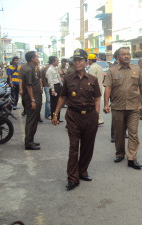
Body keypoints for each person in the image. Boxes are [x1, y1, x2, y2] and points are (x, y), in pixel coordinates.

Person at [52, 49, 101, 191]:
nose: (77, 62)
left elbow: (97, 98)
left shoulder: (93, 79)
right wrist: (56, 114)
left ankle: (83, 171)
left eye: (80, 60)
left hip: (90, 116)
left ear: (86, 62)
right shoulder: (68, 79)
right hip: (73, 116)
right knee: (74, 147)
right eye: (75, 60)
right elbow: (62, 97)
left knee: (87, 146)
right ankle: (73, 178)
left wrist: (96, 115)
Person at [103, 47, 142, 169]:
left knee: (133, 133)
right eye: (124, 54)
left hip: (134, 106)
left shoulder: (136, 69)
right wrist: (106, 104)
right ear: (118, 57)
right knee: (119, 133)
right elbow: (108, 88)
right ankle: (120, 153)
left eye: (128, 54)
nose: (126, 56)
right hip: (118, 107)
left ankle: (132, 158)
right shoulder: (111, 71)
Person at [21, 51, 42, 150]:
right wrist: (33, 100)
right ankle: (28, 143)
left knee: (34, 120)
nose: (38, 58)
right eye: (36, 57)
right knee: (31, 120)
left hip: (35, 97)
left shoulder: (32, 68)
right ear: (32, 58)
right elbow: (28, 86)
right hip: (32, 98)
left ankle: (30, 140)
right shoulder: (28, 69)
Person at [88, 53, 104, 125]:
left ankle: (96, 119)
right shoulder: (99, 67)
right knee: (97, 104)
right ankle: (98, 118)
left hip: (94, 89)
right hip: (100, 87)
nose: (88, 61)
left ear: (91, 60)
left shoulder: (92, 68)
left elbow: (91, 80)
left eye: (88, 60)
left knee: (93, 105)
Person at [46, 56, 63, 123]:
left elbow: (58, 78)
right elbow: (50, 81)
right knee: (54, 104)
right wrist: (53, 90)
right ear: (53, 62)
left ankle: (57, 118)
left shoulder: (55, 68)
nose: (58, 62)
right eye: (57, 61)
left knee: (59, 103)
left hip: (58, 86)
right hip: (54, 87)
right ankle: (54, 118)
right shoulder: (50, 70)